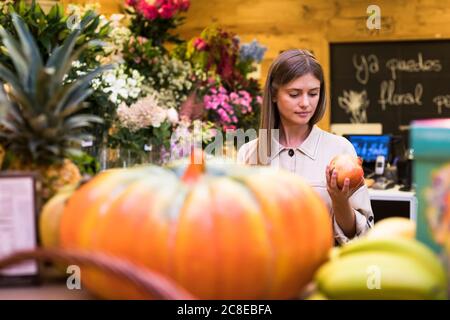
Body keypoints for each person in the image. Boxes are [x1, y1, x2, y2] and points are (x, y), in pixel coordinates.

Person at [237, 49, 374, 245]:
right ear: (274, 94)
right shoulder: (249, 154)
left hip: (325, 270)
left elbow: (363, 236)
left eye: (313, 94)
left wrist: (340, 202)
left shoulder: (340, 150)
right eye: (294, 94)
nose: (305, 103)